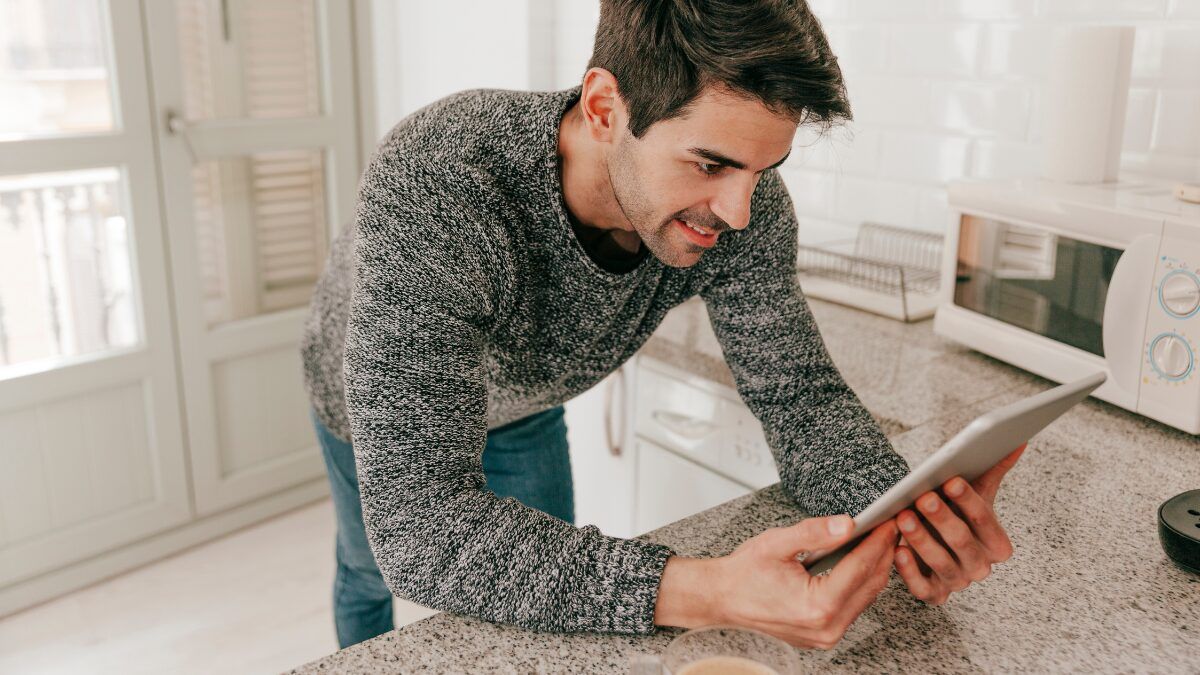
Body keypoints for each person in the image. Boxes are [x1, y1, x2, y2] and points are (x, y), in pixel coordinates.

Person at [300, 0, 1022, 651]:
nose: (739, 211)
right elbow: (420, 529)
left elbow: (801, 400)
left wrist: (907, 515)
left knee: (536, 609)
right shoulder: (442, 178)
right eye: (710, 164)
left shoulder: (747, 208)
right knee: (368, 567)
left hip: (523, 403)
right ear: (606, 107)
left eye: (762, 170)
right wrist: (711, 590)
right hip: (364, 395)